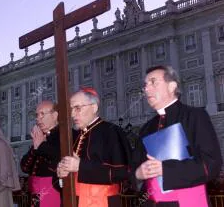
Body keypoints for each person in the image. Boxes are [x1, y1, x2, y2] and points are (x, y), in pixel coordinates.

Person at [134, 65, 222, 207]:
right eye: (145, 85)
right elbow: (134, 167)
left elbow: (211, 164)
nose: (146, 89)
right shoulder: (146, 128)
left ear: (172, 86)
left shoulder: (195, 116)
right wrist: (138, 173)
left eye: (153, 82)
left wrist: (166, 169)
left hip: (188, 201)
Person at [57, 87, 132, 207]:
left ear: (94, 107)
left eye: (77, 108)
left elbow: (123, 173)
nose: (72, 114)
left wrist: (80, 166)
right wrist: (62, 174)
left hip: (103, 201)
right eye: (71, 109)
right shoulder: (76, 137)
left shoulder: (111, 132)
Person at [20, 101, 61, 207]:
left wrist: (41, 145)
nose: (38, 118)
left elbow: (61, 158)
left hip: (53, 190)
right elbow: (24, 167)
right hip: (36, 191)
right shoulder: (40, 136)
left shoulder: (66, 134)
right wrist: (35, 147)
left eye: (42, 114)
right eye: (37, 115)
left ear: (55, 115)